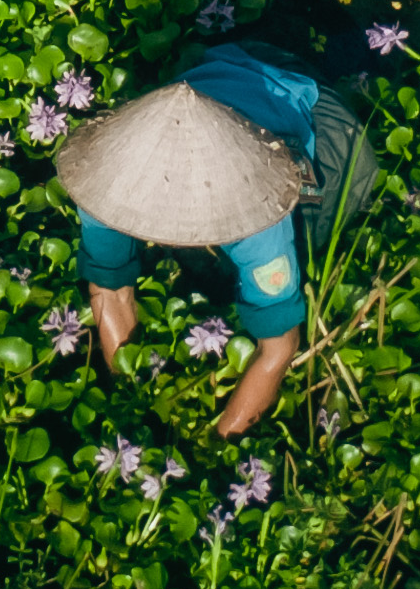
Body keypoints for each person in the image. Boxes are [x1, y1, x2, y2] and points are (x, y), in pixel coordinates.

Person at [61, 39, 373, 437]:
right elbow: (109, 292)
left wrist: (219, 444)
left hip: (311, 105)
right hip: (230, 66)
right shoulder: (105, 184)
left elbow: (278, 350)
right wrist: (135, 404)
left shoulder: (258, 217)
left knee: (313, 227)